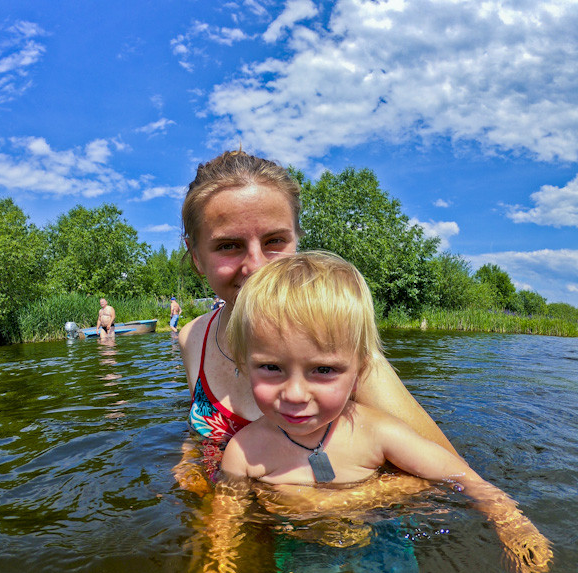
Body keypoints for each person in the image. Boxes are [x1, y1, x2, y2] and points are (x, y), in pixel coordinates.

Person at [219, 251, 553, 573]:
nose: (294, 393)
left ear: (359, 369)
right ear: (244, 365)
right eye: (271, 368)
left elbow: (459, 475)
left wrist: (511, 522)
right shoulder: (245, 451)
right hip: (301, 546)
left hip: (382, 537)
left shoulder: (376, 431)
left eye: (323, 369)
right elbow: (225, 520)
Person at [176, 150, 458, 489]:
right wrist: (189, 461)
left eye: (275, 241)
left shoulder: (333, 348)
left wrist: (328, 504)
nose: (256, 266)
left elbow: (450, 477)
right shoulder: (193, 336)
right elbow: (202, 431)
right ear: (196, 256)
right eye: (229, 245)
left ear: (297, 240)